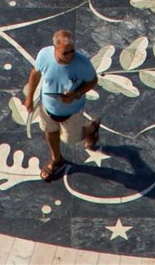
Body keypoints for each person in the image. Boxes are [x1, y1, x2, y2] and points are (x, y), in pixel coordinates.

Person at [22, 28, 103, 182]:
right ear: (55, 48)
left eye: (72, 51)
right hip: (47, 107)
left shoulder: (82, 64)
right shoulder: (44, 55)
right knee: (50, 131)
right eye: (65, 53)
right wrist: (29, 97)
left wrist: (76, 94)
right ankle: (56, 159)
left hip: (72, 111)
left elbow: (92, 81)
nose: (70, 55)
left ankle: (92, 127)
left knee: (71, 139)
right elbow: (35, 73)